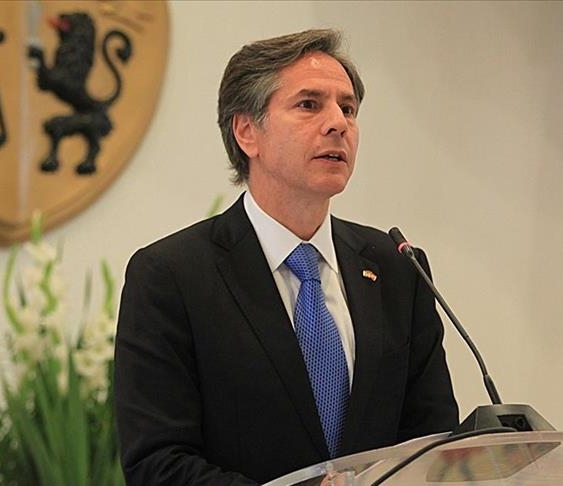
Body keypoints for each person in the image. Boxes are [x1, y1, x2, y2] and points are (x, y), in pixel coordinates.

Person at [114, 29, 458, 485]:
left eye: (348, 108)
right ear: (247, 132)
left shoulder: (398, 268)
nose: (338, 123)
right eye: (309, 105)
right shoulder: (172, 276)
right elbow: (157, 463)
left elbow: (432, 443)